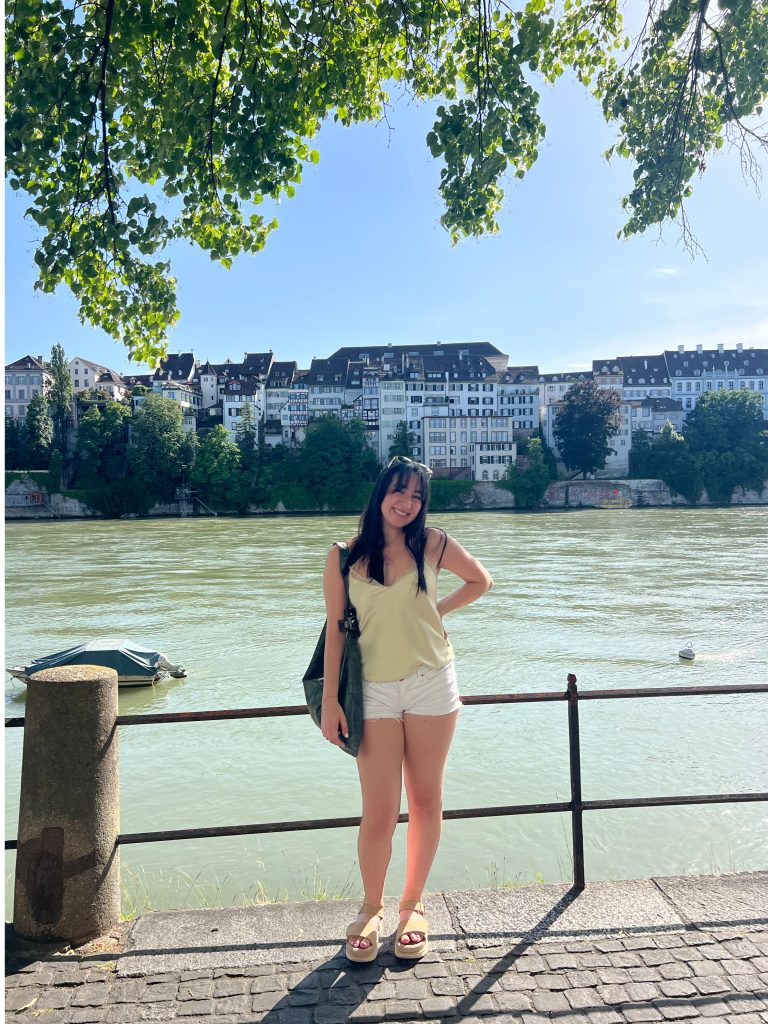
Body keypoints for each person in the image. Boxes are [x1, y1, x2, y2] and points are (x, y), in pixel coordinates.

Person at [321, 455, 493, 963]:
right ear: (380, 494)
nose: (407, 503)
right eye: (399, 491)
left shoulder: (433, 544)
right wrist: (331, 700)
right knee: (378, 812)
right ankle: (371, 908)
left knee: (423, 801)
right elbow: (335, 631)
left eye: (417, 496)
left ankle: (412, 906)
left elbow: (481, 581)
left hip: (431, 684)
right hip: (370, 690)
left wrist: (436, 611)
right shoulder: (342, 557)